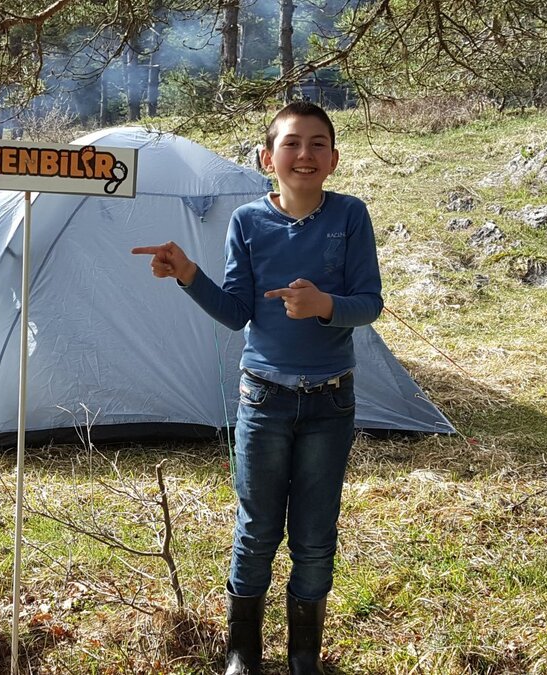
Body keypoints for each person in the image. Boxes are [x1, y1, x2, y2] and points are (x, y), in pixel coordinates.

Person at [132, 101, 383, 674]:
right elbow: (236, 312)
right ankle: (242, 654)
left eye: (318, 144)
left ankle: (303, 658)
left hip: (330, 402)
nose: (305, 154)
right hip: (264, 401)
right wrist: (188, 275)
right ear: (268, 158)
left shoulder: (350, 216)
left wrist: (324, 306)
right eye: (291, 143)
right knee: (256, 530)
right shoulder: (247, 221)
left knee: (315, 536)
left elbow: (369, 303)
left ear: (334, 159)